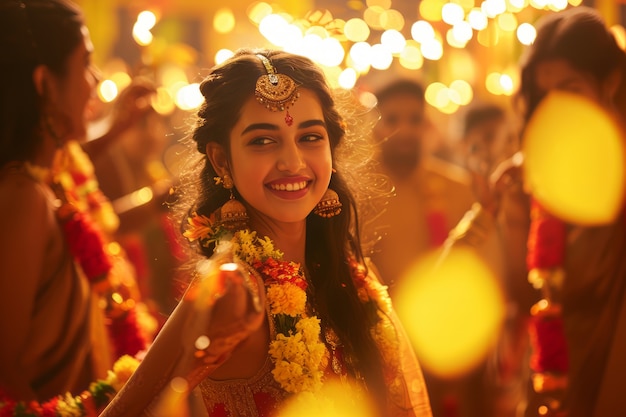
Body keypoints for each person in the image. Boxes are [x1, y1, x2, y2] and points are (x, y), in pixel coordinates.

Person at [100, 48, 433, 417]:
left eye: (310, 137)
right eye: (262, 140)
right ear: (222, 160)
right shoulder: (235, 292)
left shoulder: (349, 277)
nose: (292, 162)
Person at [445, 6, 626, 417]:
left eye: (571, 88)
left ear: (611, 83)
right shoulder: (534, 180)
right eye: (546, 95)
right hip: (558, 376)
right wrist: (497, 212)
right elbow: (521, 293)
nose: (557, 107)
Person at [0, 0, 114, 404]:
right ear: (45, 83)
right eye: (85, 62)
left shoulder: (43, 187)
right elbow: (5, 377)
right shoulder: (23, 198)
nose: (96, 78)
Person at [369, 79, 475, 296]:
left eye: (414, 119)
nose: (404, 130)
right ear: (376, 127)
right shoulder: (356, 191)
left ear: (425, 124)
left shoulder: (458, 188)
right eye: (392, 120)